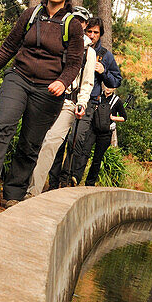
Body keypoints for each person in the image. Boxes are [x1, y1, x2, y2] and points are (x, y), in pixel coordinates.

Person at [0, 0, 85, 208]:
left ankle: (13, 194)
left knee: (30, 143)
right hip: (18, 78)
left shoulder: (73, 26)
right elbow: (9, 46)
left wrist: (62, 82)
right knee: (2, 124)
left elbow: (74, 63)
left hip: (48, 91)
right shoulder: (31, 15)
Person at [24, 27, 96, 198]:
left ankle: (32, 192)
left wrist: (82, 102)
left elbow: (87, 82)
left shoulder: (88, 52)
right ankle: (18, 184)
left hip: (68, 103)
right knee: (30, 140)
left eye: (83, 22)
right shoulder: (56, 39)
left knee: (50, 142)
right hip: (44, 97)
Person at [59, 17, 122, 187]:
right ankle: (54, 178)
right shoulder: (74, 47)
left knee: (77, 140)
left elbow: (116, 81)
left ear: (100, 34)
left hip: (89, 103)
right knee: (60, 139)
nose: (92, 35)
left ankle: (69, 178)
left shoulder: (105, 55)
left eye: (96, 32)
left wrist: (104, 72)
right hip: (65, 97)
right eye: (90, 31)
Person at [81, 84, 126, 186]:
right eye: (107, 85)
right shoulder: (97, 96)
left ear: (114, 88)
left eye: (111, 86)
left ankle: (90, 183)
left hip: (105, 134)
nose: (108, 88)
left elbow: (124, 117)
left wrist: (112, 118)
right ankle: (77, 176)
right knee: (84, 152)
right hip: (93, 130)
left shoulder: (116, 101)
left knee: (97, 158)